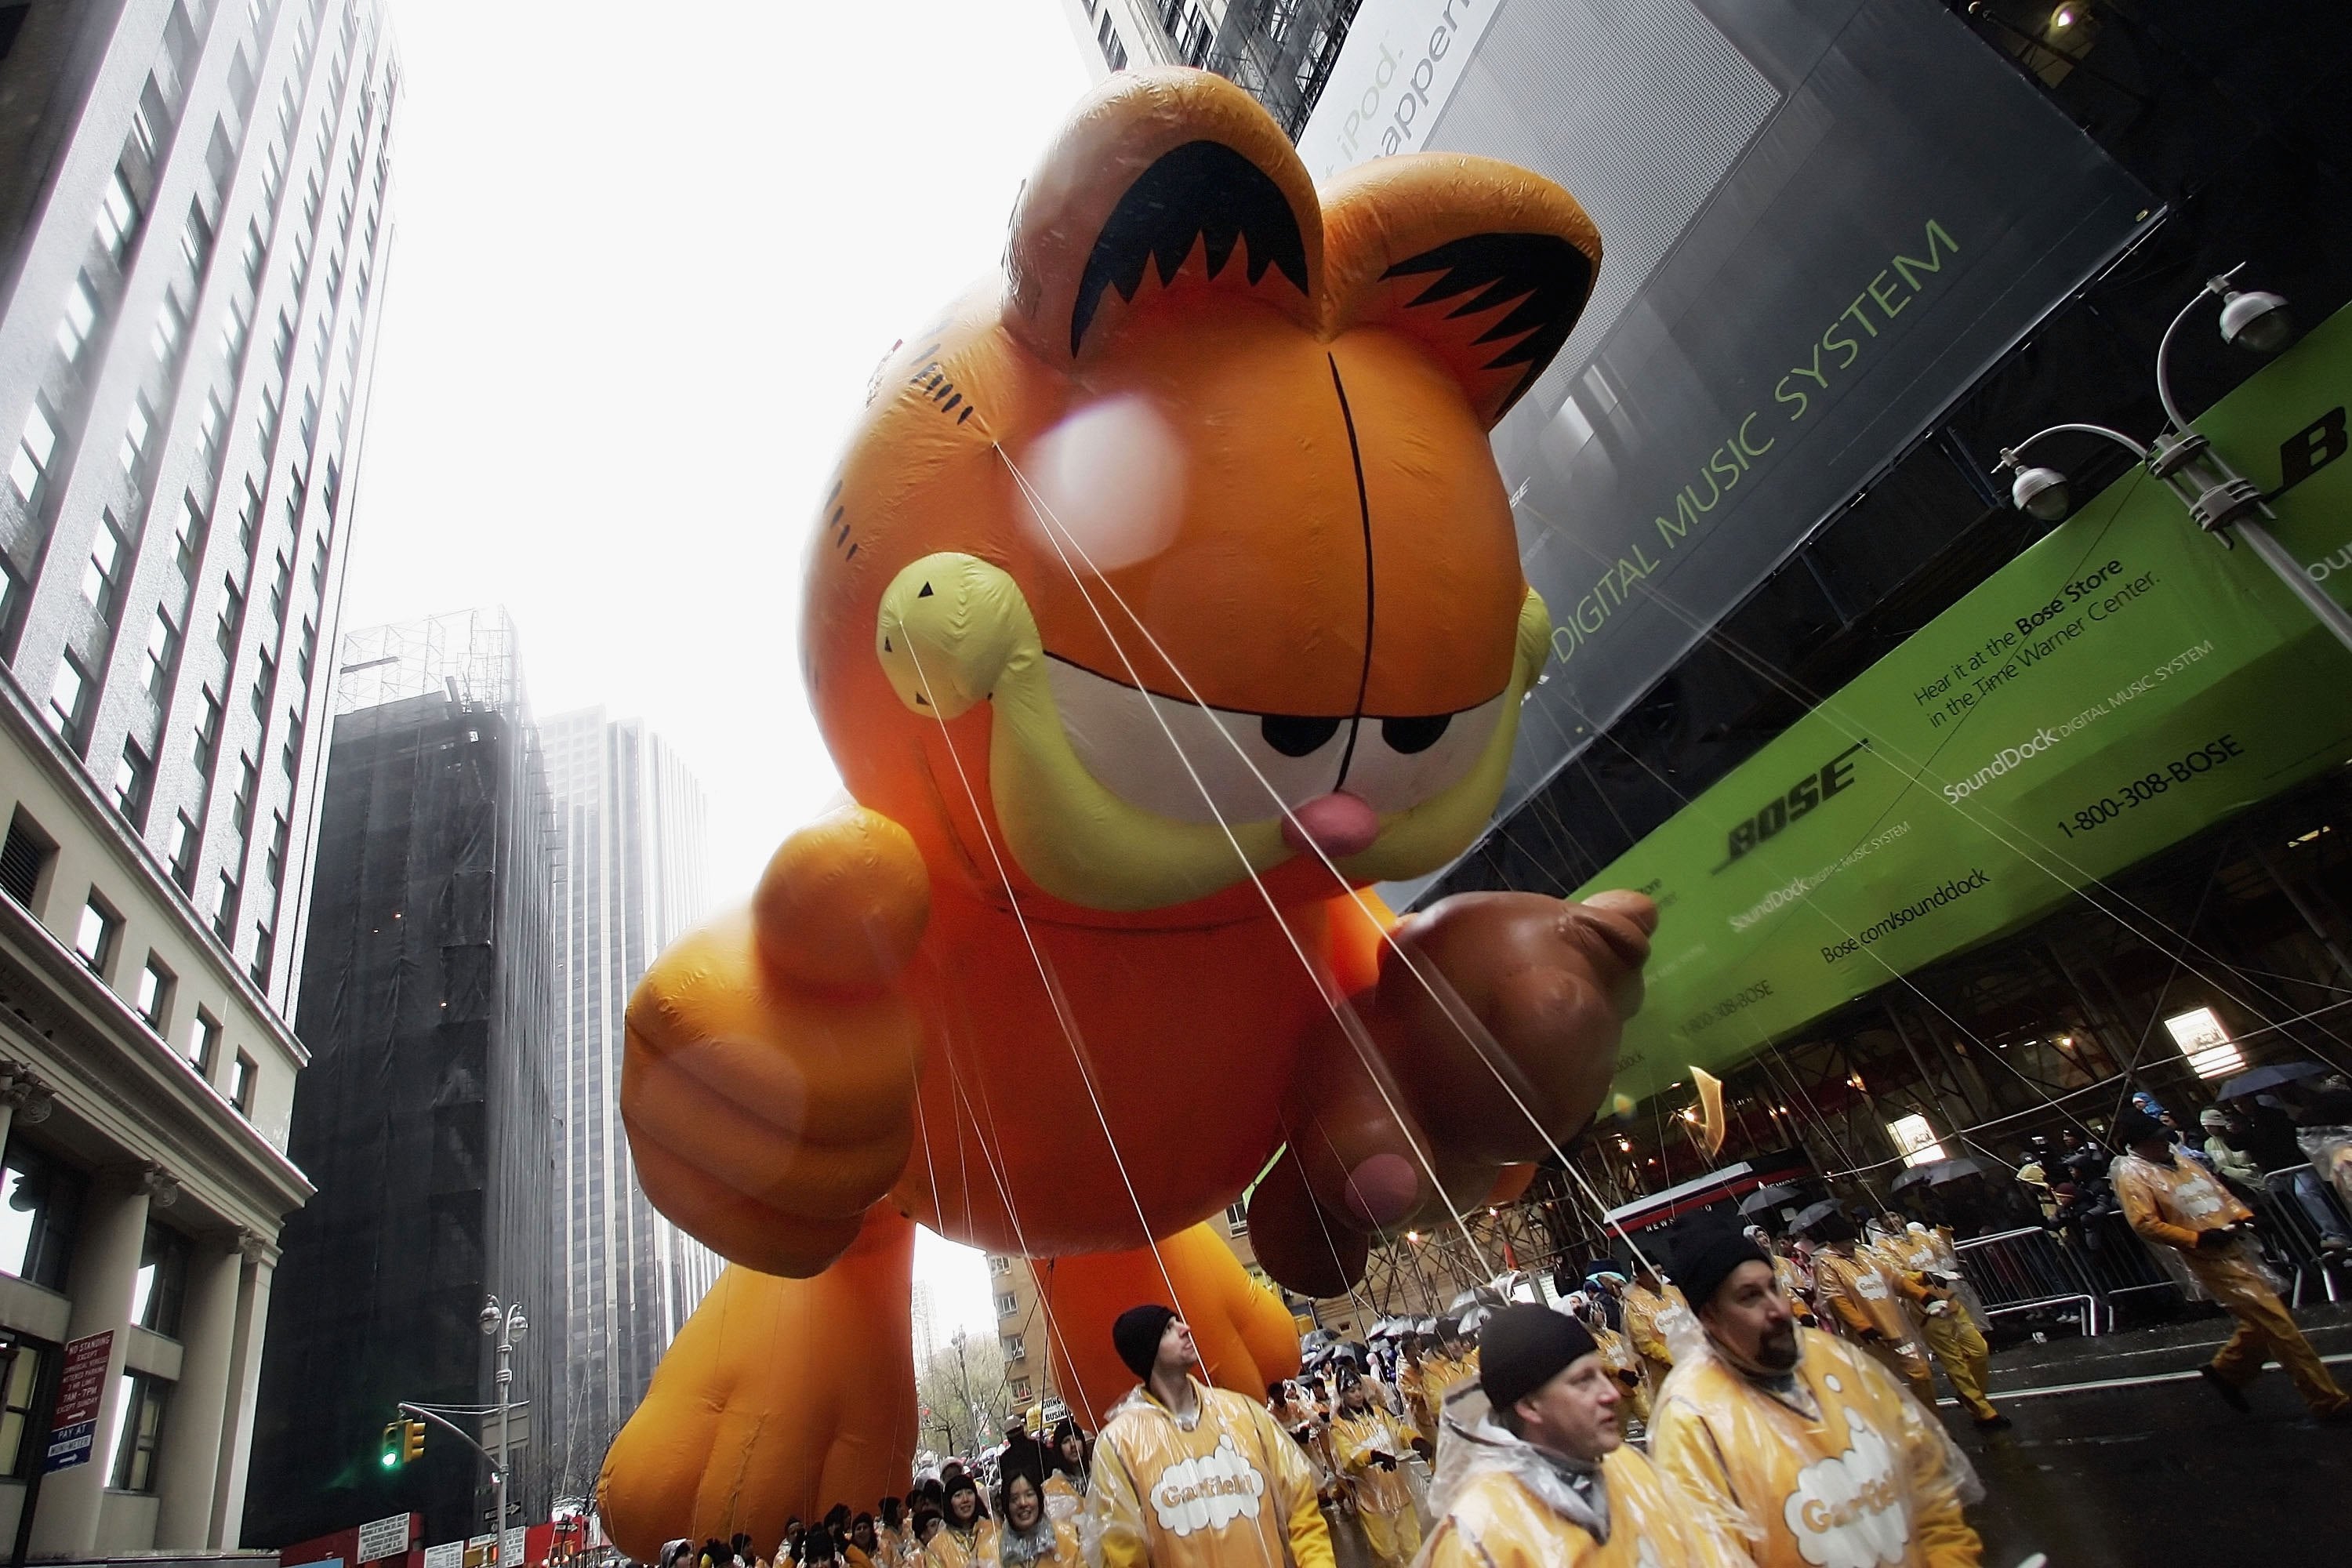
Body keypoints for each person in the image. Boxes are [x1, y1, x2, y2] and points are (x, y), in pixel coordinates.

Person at [1650, 1220, 1984, 1567]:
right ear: (1710, 1318)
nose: (1778, 1310)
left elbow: (1927, 1487)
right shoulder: (1692, 1421)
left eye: (1773, 1288)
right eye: (1749, 1296)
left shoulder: (1834, 1358)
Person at [1420, 1303, 1740, 1568]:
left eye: (1603, 1374)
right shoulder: (1477, 1539)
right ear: (1530, 1406)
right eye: (1584, 1381)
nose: (1611, 1394)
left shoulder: (1627, 1464)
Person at [2110, 1106, 2351, 1417]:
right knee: (2277, 1323)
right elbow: (2144, 1223)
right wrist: (2197, 1239)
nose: (2163, 1144)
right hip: (2208, 1257)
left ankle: (2227, 1371)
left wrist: (2245, 1216)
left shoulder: (2179, 1161)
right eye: (2155, 1141)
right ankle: (2326, 1400)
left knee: (2263, 1319)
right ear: (2137, 1144)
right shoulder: (2133, 1175)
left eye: (2163, 1138)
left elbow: (2218, 1192)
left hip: (2234, 1244)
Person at [1087, 1304, 1334, 1568]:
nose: (1186, 1329)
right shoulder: (1120, 1444)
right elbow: (1123, 1553)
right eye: (1169, 1329)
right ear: (1147, 1351)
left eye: (1179, 1322)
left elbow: (1300, 1509)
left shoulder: (1244, 1413)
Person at [1799, 1209, 1936, 1407]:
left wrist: (1924, 1296)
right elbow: (1836, 1299)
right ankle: (1899, 1431)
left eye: (1852, 1240)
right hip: (1869, 1337)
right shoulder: (1827, 1265)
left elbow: (1895, 1280)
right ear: (1833, 1243)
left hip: (1896, 1328)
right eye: (1845, 1241)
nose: (1850, 1245)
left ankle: (1931, 1424)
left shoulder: (1865, 1256)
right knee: (1883, 1386)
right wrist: (1862, 1326)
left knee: (1921, 1373)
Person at [1328, 1374, 1422, 1568]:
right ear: (1342, 1395)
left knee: (1414, 1549)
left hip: (1400, 1491)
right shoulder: (1339, 1427)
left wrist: (1415, 1440)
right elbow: (1348, 1458)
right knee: (1388, 1555)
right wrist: (1374, 1456)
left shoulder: (1379, 1414)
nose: (1357, 1395)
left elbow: (1398, 1432)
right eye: (1351, 1391)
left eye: (1359, 1389)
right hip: (1373, 1501)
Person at [1617, 1259, 1690, 1397]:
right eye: (1653, 1273)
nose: (1658, 1277)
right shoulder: (1634, 1303)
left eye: (1660, 1272)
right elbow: (1643, 1343)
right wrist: (1670, 1358)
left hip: (1693, 1360)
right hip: (1666, 1373)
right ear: (1640, 1276)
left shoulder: (1673, 1291)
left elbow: (1690, 1318)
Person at [987, 1464, 1081, 1568]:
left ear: (1039, 1499)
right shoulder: (992, 1550)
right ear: (1006, 1506)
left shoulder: (1069, 1537)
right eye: (1014, 1499)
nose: (1023, 1503)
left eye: (1029, 1494)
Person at [926, 1473, 996, 1568]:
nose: (965, 1499)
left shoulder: (993, 1531)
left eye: (969, 1493)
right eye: (958, 1495)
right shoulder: (936, 1546)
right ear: (949, 1503)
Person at [1042, 1419, 1090, 1524]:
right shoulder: (1052, 1487)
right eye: (1066, 1441)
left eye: (1076, 1438)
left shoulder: (1097, 1471)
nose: (1073, 1445)